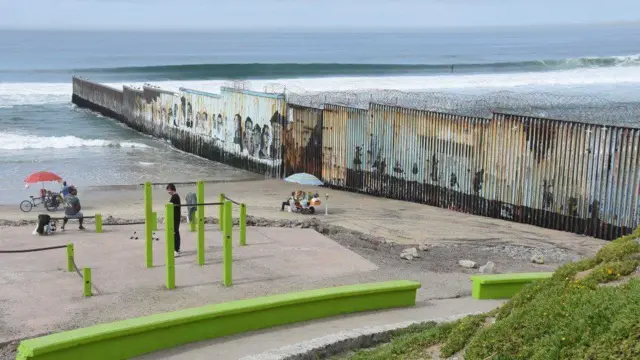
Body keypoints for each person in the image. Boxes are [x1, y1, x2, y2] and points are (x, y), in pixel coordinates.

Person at [167, 183, 181, 257]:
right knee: (176, 232)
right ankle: (177, 248)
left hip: (175, 218)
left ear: (172, 189)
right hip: (177, 217)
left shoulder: (174, 197)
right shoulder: (176, 196)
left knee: (175, 233)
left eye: (169, 190)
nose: (168, 192)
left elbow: (169, 207)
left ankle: (175, 250)